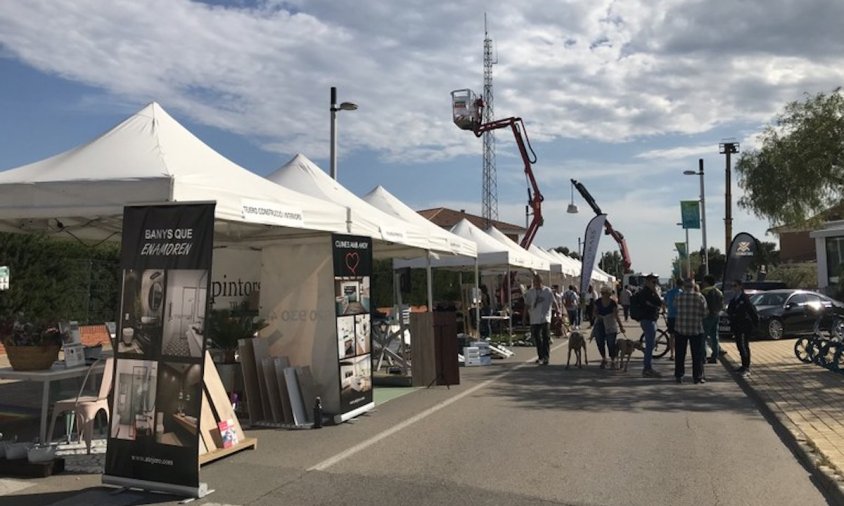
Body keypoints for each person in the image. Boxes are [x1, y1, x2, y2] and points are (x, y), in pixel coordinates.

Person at [674, 278, 708, 384]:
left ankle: (679, 375)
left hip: (680, 328)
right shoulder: (700, 297)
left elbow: (675, 307)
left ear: (684, 286)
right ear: (693, 286)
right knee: (697, 355)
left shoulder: (678, 297)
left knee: (680, 354)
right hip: (696, 329)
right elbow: (705, 312)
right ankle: (697, 377)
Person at [727, 279, 758, 376]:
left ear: (740, 286)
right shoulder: (734, 299)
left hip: (744, 325)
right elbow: (730, 310)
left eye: (735, 285)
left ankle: (747, 367)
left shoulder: (744, 298)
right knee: (739, 345)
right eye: (732, 286)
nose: (733, 288)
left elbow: (751, 311)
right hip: (736, 326)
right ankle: (743, 365)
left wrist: (756, 324)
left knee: (744, 345)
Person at [524, 273, 554, 365]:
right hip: (534, 317)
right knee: (537, 337)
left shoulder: (547, 291)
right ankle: (540, 356)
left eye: (536, 281)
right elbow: (527, 305)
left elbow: (554, 302)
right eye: (534, 281)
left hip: (545, 317)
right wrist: (524, 317)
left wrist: (559, 312)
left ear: (541, 282)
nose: (535, 283)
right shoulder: (530, 292)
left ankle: (546, 357)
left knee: (546, 337)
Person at [592, 285, 625, 369]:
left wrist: (621, 326)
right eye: (604, 293)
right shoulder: (598, 302)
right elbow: (594, 312)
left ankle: (613, 360)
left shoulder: (613, 303)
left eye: (607, 293)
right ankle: (604, 358)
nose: (605, 295)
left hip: (610, 324)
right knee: (599, 342)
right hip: (600, 323)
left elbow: (616, 315)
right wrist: (598, 316)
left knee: (611, 343)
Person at [639, 273, 664, 378]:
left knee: (651, 344)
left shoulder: (644, 292)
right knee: (650, 345)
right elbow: (659, 303)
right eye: (653, 282)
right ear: (648, 282)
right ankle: (647, 368)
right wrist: (654, 291)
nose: (655, 284)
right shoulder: (647, 292)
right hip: (649, 320)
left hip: (648, 320)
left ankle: (647, 367)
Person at [700, 275, 724, 364]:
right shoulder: (719, 292)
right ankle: (715, 356)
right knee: (715, 336)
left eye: (704, 282)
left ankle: (703, 357)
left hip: (706, 316)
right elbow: (722, 304)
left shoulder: (704, 292)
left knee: (703, 337)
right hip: (716, 315)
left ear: (707, 282)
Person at [662, 278, 683, 361]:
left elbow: (664, 302)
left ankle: (672, 354)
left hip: (670, 316)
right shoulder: (681, 293)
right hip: (679, 317)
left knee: (671, 336)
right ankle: (679, 353)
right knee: (679, 336)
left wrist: (664, 310)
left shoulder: (669, 292)